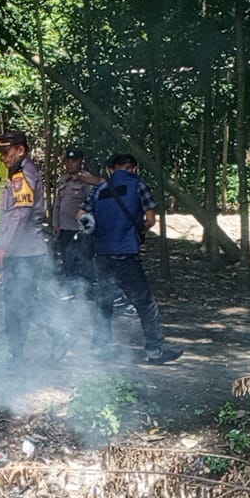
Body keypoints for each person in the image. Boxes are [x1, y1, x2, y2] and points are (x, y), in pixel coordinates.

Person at [81, 153, 181, 364]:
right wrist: (136, 230)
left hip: (101, 253)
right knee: (144, 302)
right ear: (133, 169)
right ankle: (155, 351)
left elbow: (81, 217)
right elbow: (151, 219)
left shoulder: (100, 189)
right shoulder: (138, 185)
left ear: (111, 170)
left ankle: (100, 349)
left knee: (104, 302)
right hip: (125, 253)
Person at [0, 131, 74, 361]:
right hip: (26, 251)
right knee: (21, 301)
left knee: (20, 302)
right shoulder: (20, 173)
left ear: (20, 150)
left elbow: (20, 214)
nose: (2, 158)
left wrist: (4, 247)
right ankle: (20, 349)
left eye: (6, 152)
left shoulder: (22, 175)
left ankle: (26, 349)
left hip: (23, 253)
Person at [52, 149, 103, 283]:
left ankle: (85, 289)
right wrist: (55, 223)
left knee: (82, 260)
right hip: (64, 227)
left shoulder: (86, 179)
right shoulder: (63, 179)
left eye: (74, 161)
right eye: (68, 161)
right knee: (67, 260)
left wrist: (87, 229)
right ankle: (70, 288)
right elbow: (58, 203)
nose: (70, 164)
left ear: (81, 162)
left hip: (79, 229)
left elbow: (91, 204)